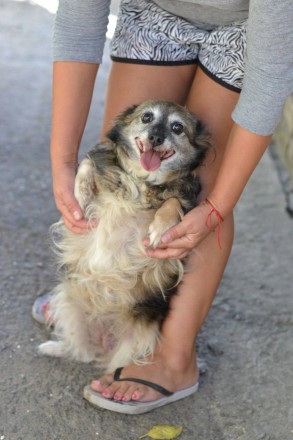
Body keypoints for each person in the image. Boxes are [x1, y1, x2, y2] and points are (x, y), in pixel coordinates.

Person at [33, 0, 293, 413]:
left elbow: (270, 75)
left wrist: (216, 208)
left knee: (199, 192)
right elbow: (79, 19)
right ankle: (96, 300)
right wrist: (63, 160)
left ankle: (174, 360)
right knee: (120, 166)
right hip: (156, 9)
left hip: (248, 27)